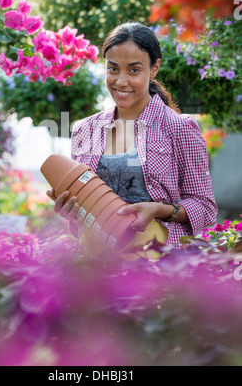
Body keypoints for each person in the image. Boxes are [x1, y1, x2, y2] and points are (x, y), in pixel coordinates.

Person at [46, 22, 218, 250]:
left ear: (154, 68)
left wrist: (159, 210)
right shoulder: (84, 130)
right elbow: (82, 222)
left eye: (134, 70)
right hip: (98, 269)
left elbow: (205, 209)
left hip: (160, 266)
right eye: (113, 68)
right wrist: (71, 212)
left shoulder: (180, 127)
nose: (121, 81)